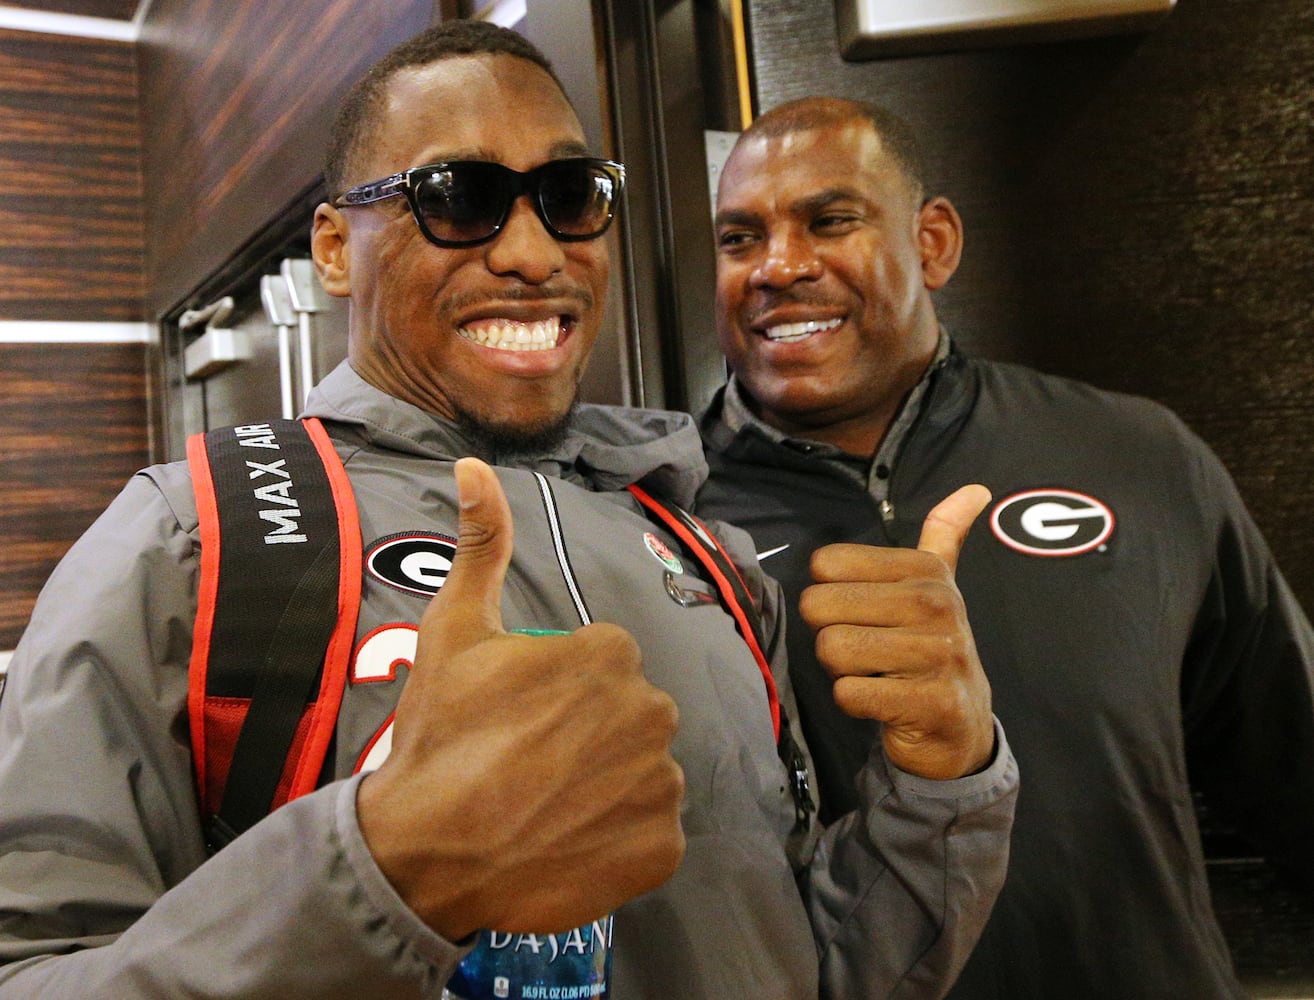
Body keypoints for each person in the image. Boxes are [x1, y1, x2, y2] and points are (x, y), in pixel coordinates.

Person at [0, 25, 1019, 999]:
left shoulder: (707, 555)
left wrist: (941, 788)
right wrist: (382, 877)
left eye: (571, 195)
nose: (534, 252)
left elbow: (818, 966)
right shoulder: (193, 540)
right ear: (336, 247)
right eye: (459, 197)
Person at [695, 95, 1314, 999]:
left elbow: (1292, 764)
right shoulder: (665, 522)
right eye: (740, 239)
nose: (779, 266)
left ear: (934, 242)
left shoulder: (1137, 456)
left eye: (830, 221)